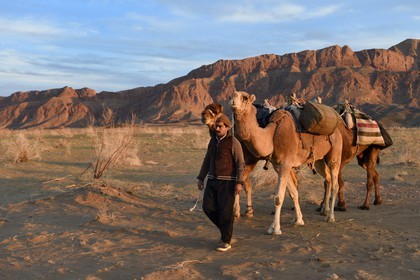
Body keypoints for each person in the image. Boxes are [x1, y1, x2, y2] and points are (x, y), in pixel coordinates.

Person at [197, 113, 245, 252]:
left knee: (226, 212)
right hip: (212, 180)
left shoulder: (233, 142)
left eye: (220, 126)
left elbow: (240, 163)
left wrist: (239, 182)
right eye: (216, 126)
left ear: (227, 127)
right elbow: (207, 160)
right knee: (207, 207)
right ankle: (225, 232)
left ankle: (226, 241)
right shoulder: (212, 141)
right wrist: (201, 178)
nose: (217, 129)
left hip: (228, 182)